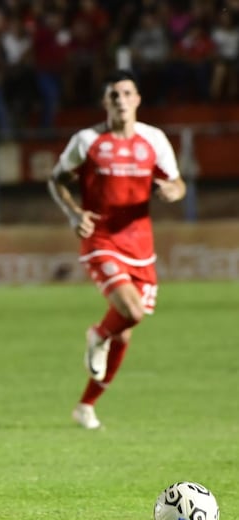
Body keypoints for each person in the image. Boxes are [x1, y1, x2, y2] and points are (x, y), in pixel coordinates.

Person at [47, 69, 186, 430]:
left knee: (124, 331)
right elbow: (57, 178)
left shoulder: (153, 140)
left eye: (127, 93)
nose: (121, 100)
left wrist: (174, 191)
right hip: (101, 240)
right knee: (132, 311)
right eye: (114, 95)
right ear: (105, 102)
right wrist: (74, 213)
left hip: (141, 246)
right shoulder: (87, 140)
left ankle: (86, 406)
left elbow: (177, 182)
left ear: (138, 99)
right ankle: (96, 335)